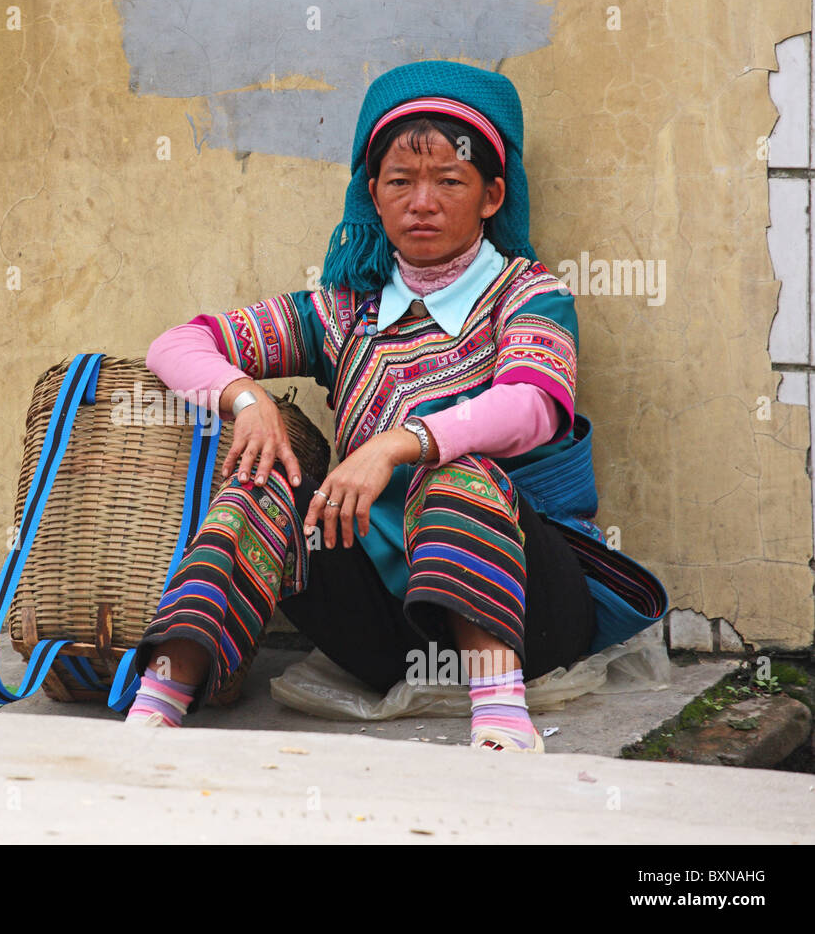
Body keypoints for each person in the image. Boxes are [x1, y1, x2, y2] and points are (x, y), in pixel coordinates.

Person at [122, 60, 666, 752]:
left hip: (531, 611)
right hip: (389, 632)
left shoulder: (527, 295)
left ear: (493, 195)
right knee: (262, 482)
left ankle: (500, 720)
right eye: (401, 182)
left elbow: (532, 405)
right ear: (372, 194)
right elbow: (177, 344)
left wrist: (395, 444)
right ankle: (157, 708)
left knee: (456, 471)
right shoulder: (344, 312)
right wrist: (246, 398)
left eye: (449, 181)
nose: (423, 203)